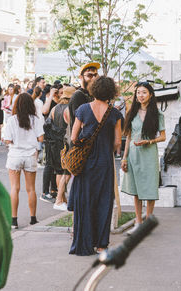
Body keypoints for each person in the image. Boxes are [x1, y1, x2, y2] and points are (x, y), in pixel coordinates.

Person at [68, 76, 122, 256]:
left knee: (85, 201)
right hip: (105, 163)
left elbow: (74, 137)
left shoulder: (83, 109)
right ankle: (101, 245)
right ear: (111, 92)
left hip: (86, 163)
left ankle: (84, 243)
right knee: (104, 202)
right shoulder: (115, 114)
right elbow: (117, 143)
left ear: (94, 89)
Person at [120, 82, 166, 235]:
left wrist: (149, 141)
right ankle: (138, 222)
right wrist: (124, 158)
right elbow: (128, 137)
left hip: (149, 154)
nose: (140, 95)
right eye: (138, 92)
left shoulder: (158, 115)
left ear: (151, 95)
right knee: (136, 190)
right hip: (133, 154)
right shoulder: (131, 112)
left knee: (150, 187)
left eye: (144, 92)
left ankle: (148, 221)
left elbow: (163, 137)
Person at [3, 93, 44, 229]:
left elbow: (7, 140)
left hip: (15, 155)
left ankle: (13, 221)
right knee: (31, 189)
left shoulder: (12, 120)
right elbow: (41, 139)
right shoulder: (35, 120)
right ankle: (33, 219)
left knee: (14, 188)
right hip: (30, 155)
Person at [47, 86, 74, 211]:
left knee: (59, 171)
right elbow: (71, 128)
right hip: (65, 143)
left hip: (54, 143)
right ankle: (59, 199)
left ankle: (63, 199)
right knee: (67, 172)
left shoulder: (54, 108)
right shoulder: (69, 109)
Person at [40, 84, 61, 204]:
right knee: (49, 164)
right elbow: (44, 111)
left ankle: (54, 189)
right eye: (60, 92)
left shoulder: (62, 103)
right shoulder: (50, 102)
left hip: (59, 138)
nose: (61, 94)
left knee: (56, 164)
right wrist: (51, 95)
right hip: (50, 138)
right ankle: (44, 192)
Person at [68, 62, 100, 132]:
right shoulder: (78, 96)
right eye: (90, 75)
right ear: (81, 77)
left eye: (95, 75)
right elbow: (82, 123)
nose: (94, 78)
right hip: (81, 140)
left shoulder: (93, 95)